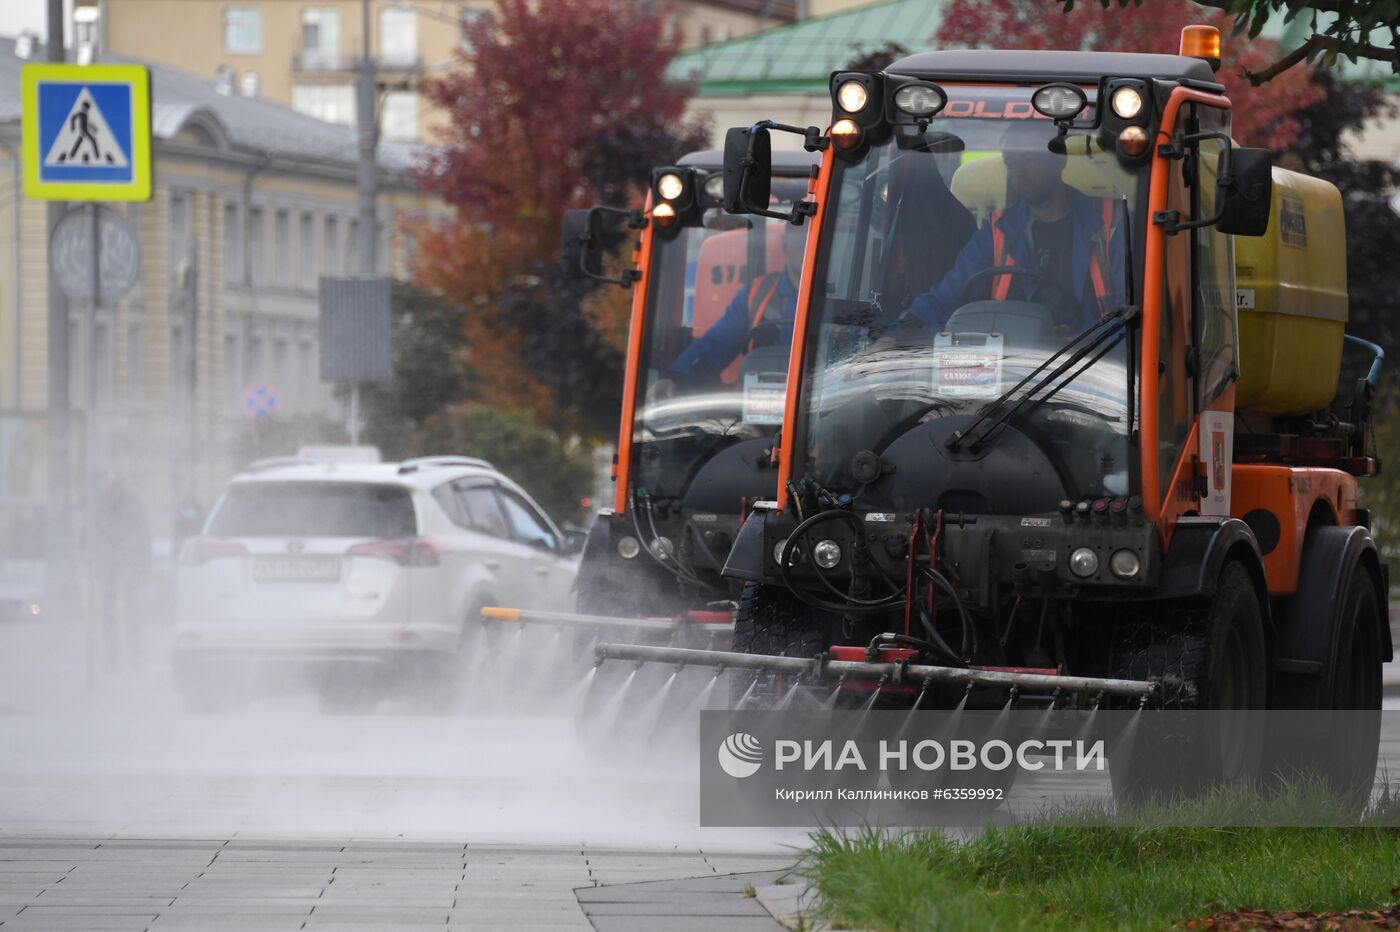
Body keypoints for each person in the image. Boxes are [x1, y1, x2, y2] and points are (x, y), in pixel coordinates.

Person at [902, 145, 1125, 334]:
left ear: (1060, 160)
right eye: (1011, 163)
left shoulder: (1112, 224)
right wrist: (903, 328)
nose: (1019, 173)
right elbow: (946, 298)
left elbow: (1129, 316)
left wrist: (1078, 339)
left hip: (1091, 362)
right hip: (1012, 365)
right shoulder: (997, 231)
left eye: (1029, 160)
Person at [658, 218, 807, 391]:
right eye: (799, 232)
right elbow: (717, 344)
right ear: (784, 241)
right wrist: (674, 378)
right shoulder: (757, 293)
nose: (804, 241)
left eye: (810, 233)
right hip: (761, 400)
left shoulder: (833, 296)